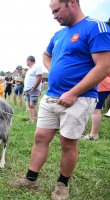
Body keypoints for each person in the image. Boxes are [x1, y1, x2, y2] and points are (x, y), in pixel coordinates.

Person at [8, 1, 110, 200]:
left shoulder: (95, 27)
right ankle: (30, 179)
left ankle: (62, 185)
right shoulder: (59, 34)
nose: (54, 16)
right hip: (52, 96)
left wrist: (73, 92)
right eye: (52, 12)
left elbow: (104, 66)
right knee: (40, 137)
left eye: (56, 10)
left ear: (72, 2)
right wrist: (54, 66)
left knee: (67, 143)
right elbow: (46, 54)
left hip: (79, 98)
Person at [83, 74, 110, 140]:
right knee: (85, 106)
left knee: (96, 110)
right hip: (96, 85)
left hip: (100, 86)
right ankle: (83, 127)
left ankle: (94, 134)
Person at [24, 56, 43, 123]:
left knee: (33, 105)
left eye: (26, 60)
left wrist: (33, 88)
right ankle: (31, 119)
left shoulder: (37, 67)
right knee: (29, 105)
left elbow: (39, 78)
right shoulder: (29, 69)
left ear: (29, 60)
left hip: (34, 89)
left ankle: (34, 120)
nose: (26, 62)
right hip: (27, 90)